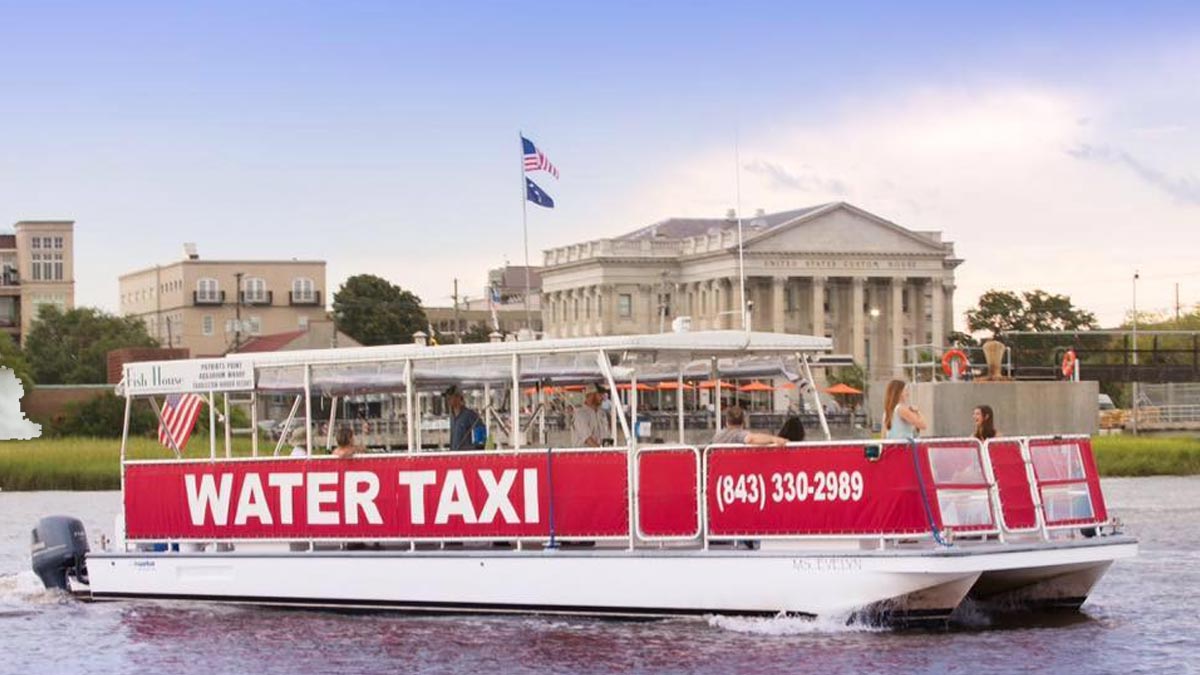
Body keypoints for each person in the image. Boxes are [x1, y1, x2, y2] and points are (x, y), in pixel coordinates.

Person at [712, 406, 788, 445]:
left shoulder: (717, 436)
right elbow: (751, 439)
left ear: (727, 422)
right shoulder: (739, 434)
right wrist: (773, 439)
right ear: (743, 422)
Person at [443, 384, 483, 451]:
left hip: (465, 455)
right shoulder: (452, 416)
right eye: (447, 398)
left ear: (458, 397)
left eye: (450, 397)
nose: (448, 400)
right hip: (454, 454)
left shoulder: (469, 414)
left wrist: (473, 447)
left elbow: (481, 430)